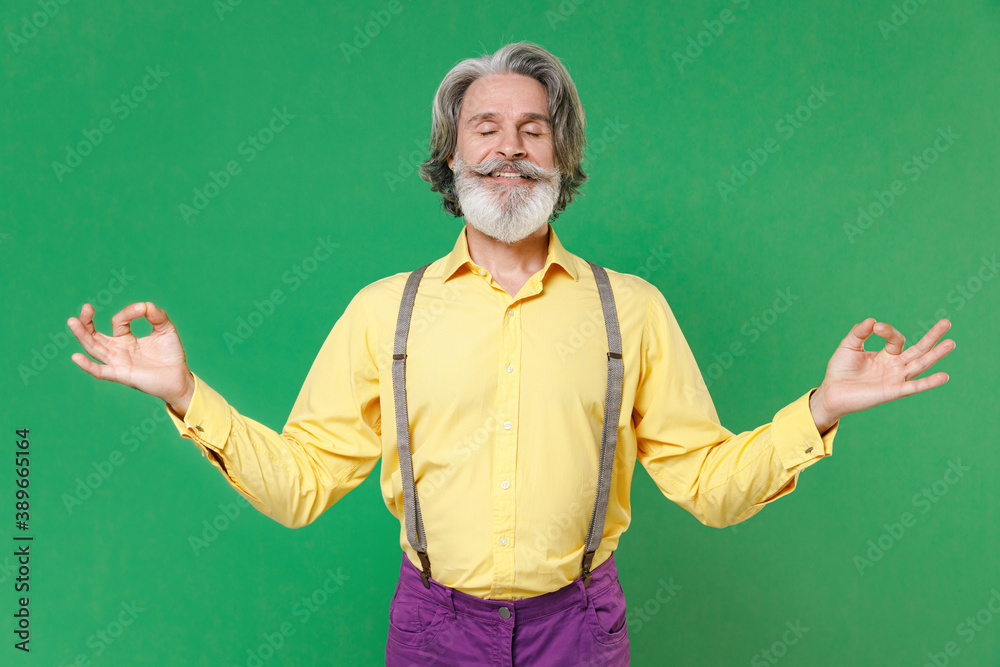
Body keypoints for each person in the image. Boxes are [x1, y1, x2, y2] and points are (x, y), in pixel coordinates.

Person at [67, 41, 955, 666]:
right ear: (451, 157)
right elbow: (300, 487)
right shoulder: (386, 313)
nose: (509, 148)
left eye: (534, 130)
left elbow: (712, 488)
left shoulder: (632, 311)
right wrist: (186, 393)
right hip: (431, 629)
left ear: (561, 159)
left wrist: (822, 409)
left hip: (584, 627)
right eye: (485, 127)